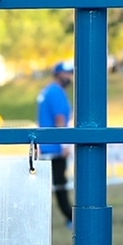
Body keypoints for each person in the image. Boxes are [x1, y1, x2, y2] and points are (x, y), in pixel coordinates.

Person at [37, 60, 74, 226]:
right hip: (55, 148)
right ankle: (70, 218)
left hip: (46, 146)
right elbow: (60, 120)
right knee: (59, 185)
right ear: (58, 74)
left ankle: (67, 217)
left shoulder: (47, 91)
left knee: (49, 186)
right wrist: (65, 144)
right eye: (67, 73)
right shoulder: (56, 92)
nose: (70, 77)